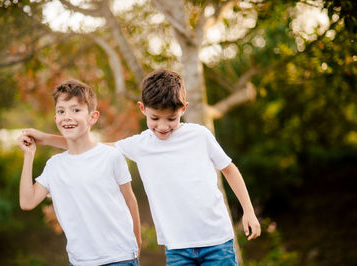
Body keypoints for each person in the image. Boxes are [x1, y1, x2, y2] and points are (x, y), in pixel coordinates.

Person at [23, 70, 260, 265]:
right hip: (177, 248)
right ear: (142, 109)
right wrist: (44, 138)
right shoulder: (140, 144)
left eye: (172, 118)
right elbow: (90, 145)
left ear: (184, 109)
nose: (163, 126)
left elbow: (229, 169)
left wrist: (248, 211)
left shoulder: (200, 135)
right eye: (155, 118)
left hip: (217, 241)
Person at [17, 79, 141, 266]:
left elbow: (130, 200)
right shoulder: (54, 166)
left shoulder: (111, 157)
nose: (67, 116)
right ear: (56, 118)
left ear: (93, 117)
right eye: (61, 111)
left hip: (119, 257)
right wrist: (29, 155)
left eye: (76, 110)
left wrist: (137, 241)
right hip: (80, 261)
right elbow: (27, 202)